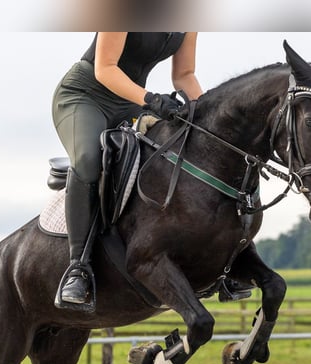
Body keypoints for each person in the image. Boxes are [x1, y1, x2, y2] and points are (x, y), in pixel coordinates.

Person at [52, 32, 204, 310]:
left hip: (131, 102)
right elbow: (105, 68)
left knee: (173, 153)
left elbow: (184, 75)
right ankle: (78, 269)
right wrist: (151, 99)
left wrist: (206, 115)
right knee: (88, 159)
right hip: (85, 95)